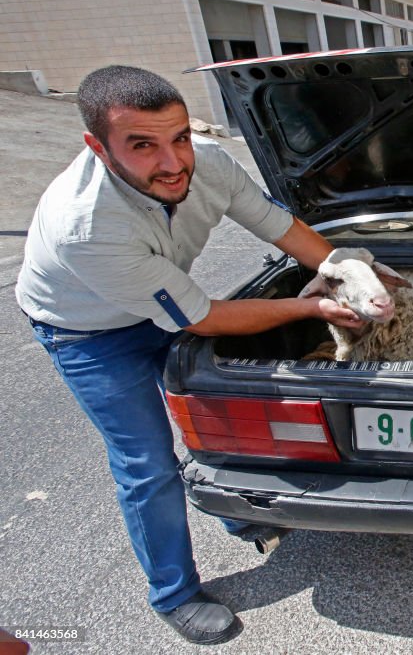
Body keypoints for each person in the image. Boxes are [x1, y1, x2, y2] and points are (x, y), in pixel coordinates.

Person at [15, 66, 363, 644]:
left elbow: (284, 230)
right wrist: (312, 309)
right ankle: (173, 593)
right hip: (89, 332)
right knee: (146, 463)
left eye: (179, 137)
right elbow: (201, 316)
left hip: (164, 298)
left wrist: (349, 274)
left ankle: (235, 511)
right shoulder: (85, 225)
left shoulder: (209, 162)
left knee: (216, 418)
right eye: (143, 146)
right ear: (97, 147)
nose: (174, 162)